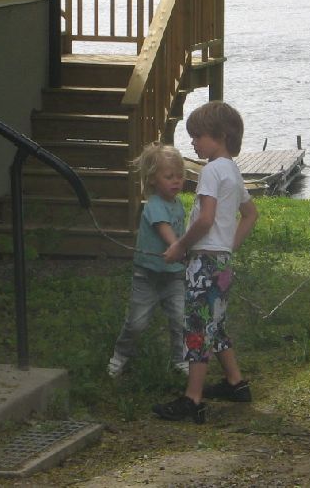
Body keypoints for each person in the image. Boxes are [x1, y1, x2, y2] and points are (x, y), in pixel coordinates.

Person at [153, 101, 258, 424]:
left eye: (198, 136)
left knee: (198, 328)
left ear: (221, 136)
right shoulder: (232, 170)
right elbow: (250, 214)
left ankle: (192, 399)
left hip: (204, 263)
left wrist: (181, 247)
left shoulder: (212, 171)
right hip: (221, 262)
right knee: (215, 322)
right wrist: (228, 247)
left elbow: (205, 219)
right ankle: (236, 383)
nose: (194, 143)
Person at [107, 143, 189, 379]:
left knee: (180, 318)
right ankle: (121, 354)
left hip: (174, 275)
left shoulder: (178, 204)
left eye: (179, 176)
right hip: (147, 277)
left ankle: (180, 358)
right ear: (152, 179)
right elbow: (167, 233)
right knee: (136, 322)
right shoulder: (153, 205)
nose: (176, 181)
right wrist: (179, 248)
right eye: (169, 176)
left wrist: (184, 250)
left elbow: (181, 234)